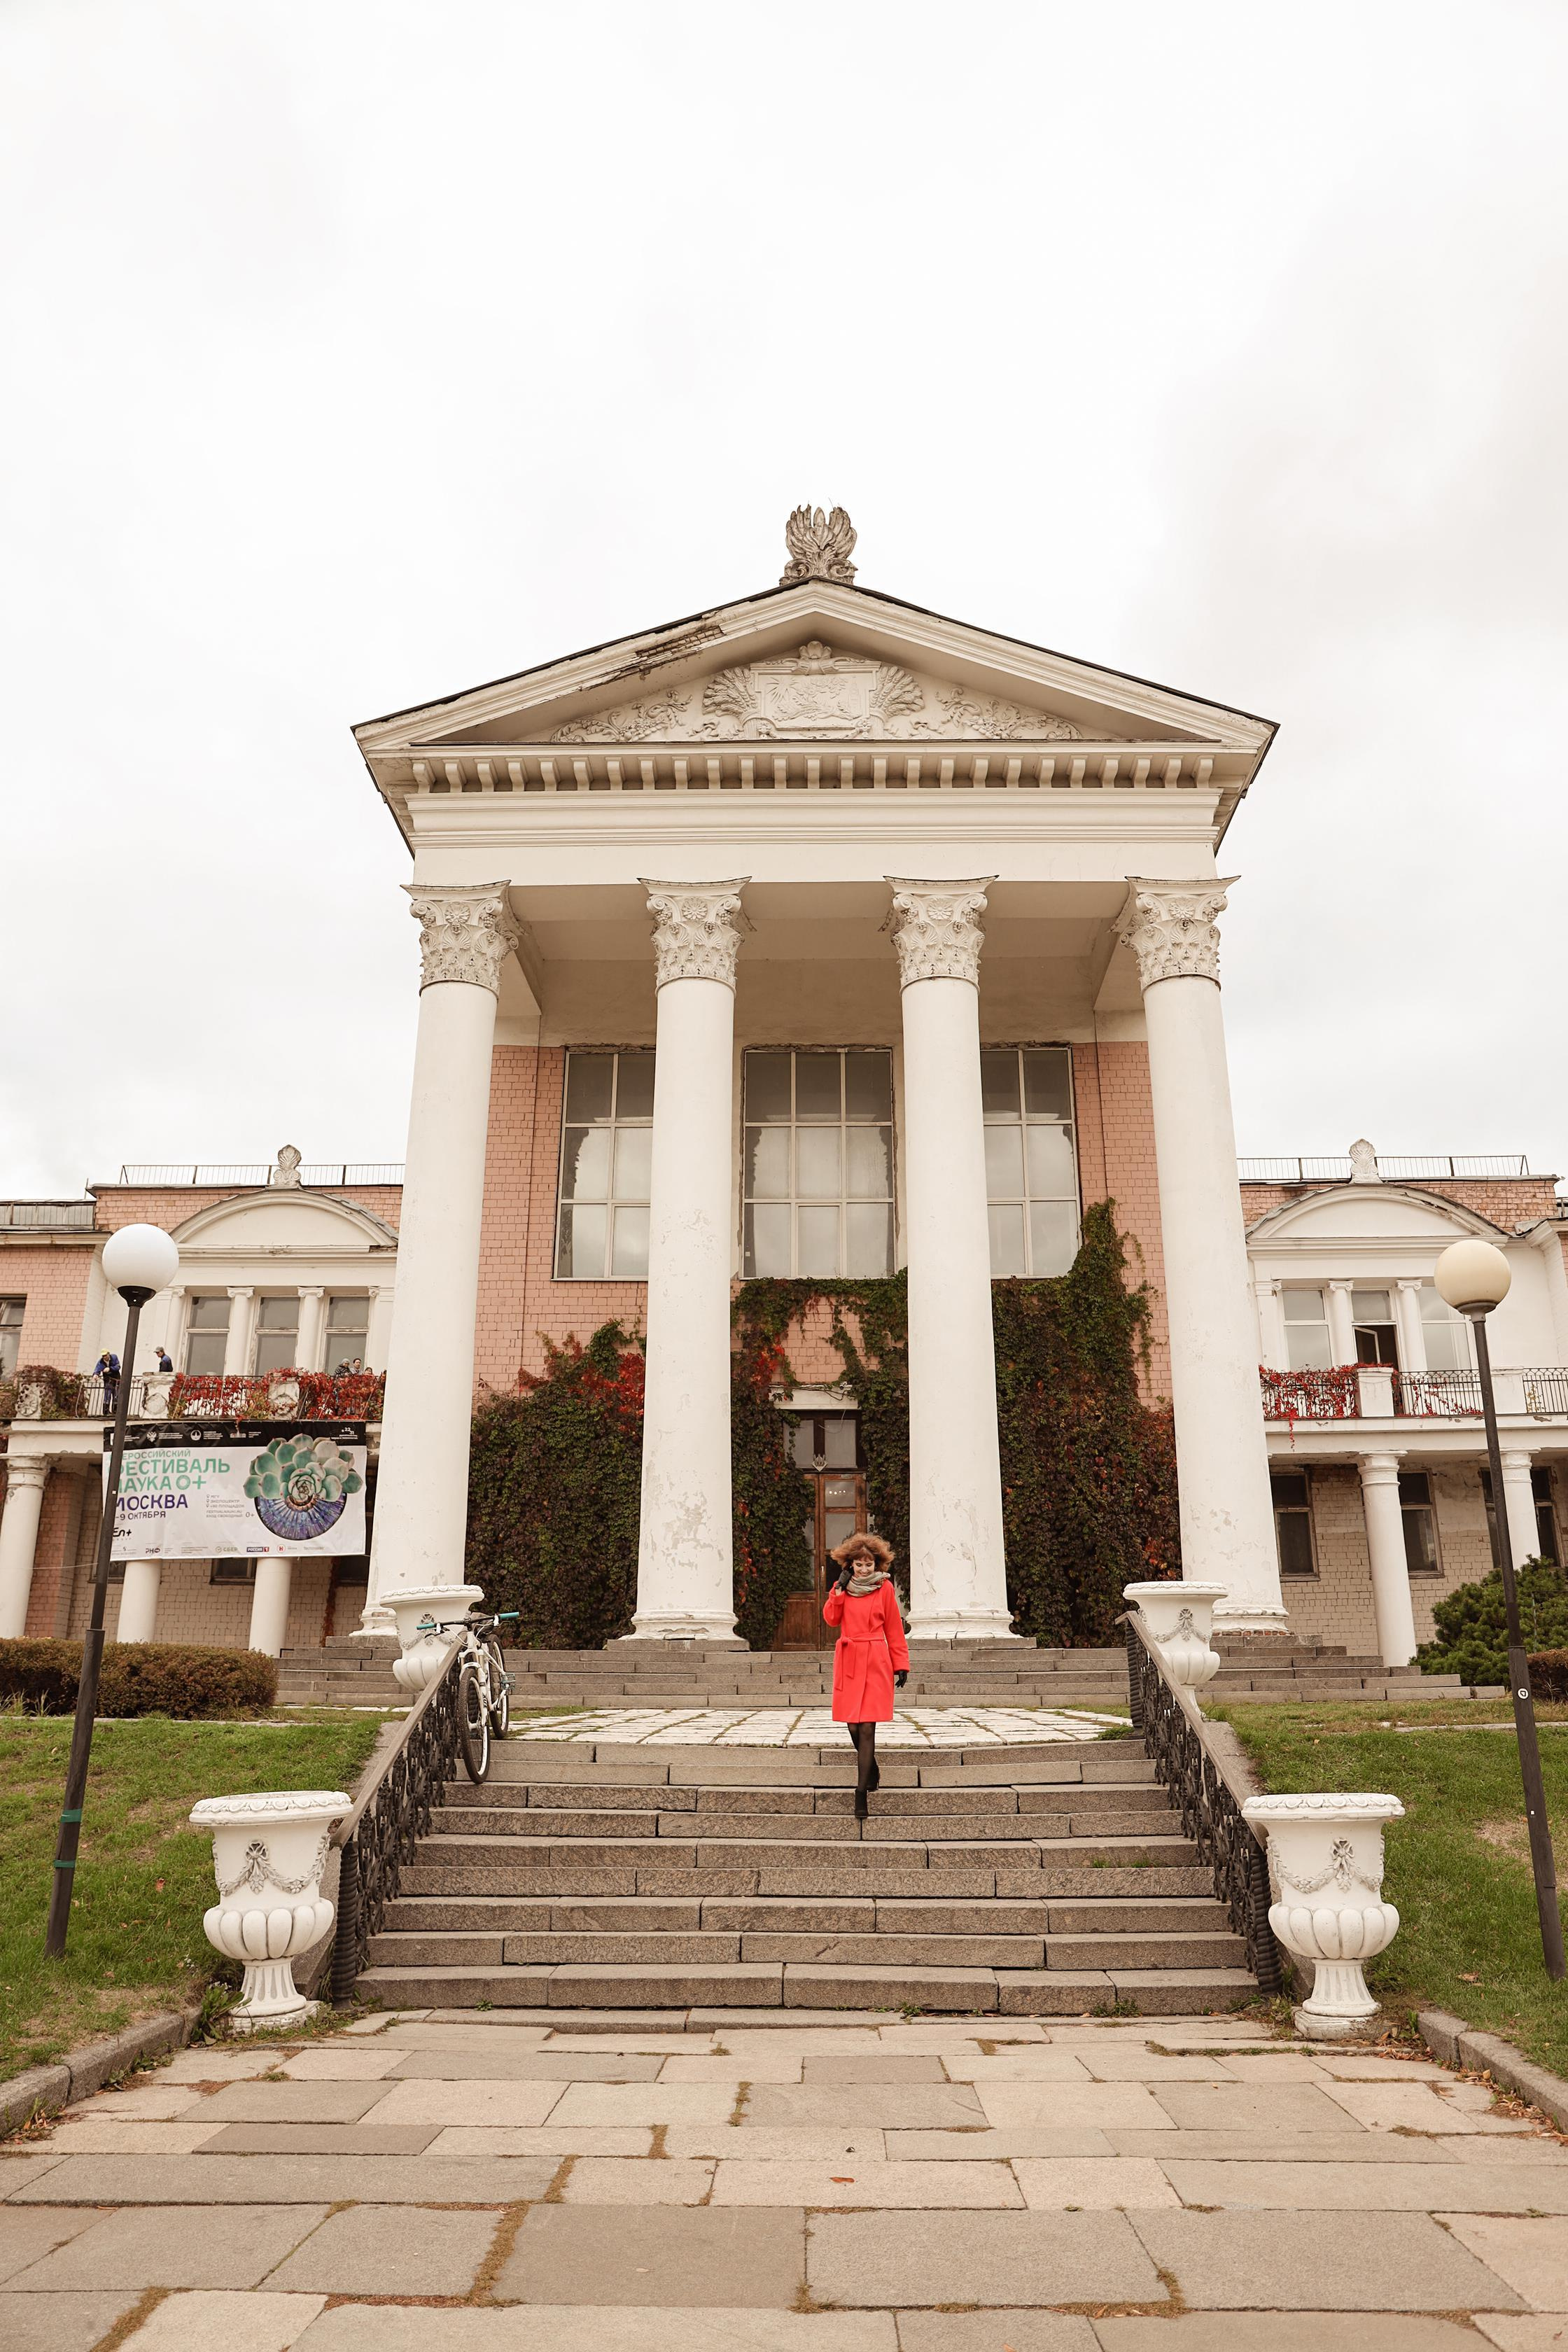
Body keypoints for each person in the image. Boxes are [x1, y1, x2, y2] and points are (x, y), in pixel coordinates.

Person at [822, 1532, 909, 1821]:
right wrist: (837, 1592)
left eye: (869, 1564)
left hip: (875, 1659)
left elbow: (894, 1628)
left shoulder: (884, 1589)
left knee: (868, 1727)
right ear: (850, 1564)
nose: (864, 1569)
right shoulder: (841, 1588)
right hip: (848, 1658)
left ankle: (860, 1793)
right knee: (852, 1726)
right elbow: (832, 1620)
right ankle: (870, 1767)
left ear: (877, 1564)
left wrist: (901, 1663)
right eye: (859, 1564)